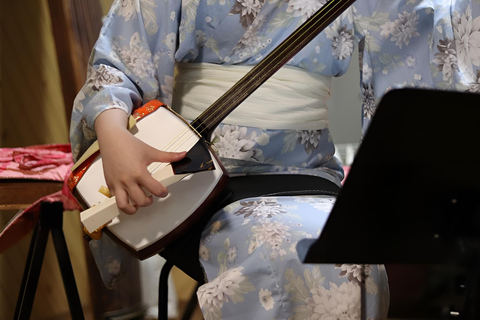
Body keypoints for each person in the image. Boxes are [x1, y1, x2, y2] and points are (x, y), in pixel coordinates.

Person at [70, 0, 480, 319]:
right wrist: (113, 134)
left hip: (305, 170)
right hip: (191, 179)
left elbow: (431, 28)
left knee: (347, 256)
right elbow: (118, 61)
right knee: (285, 253)